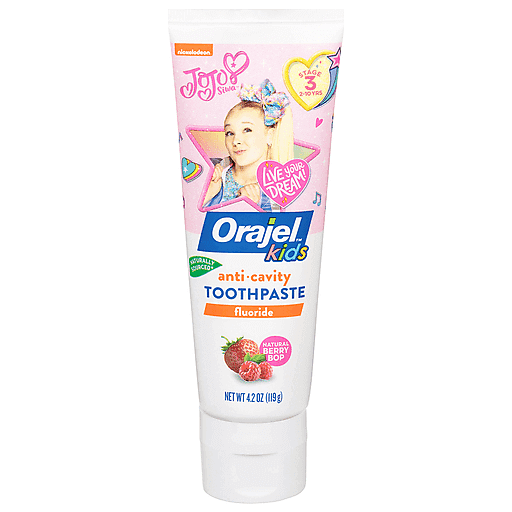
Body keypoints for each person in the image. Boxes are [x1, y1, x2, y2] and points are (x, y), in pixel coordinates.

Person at [203, 79, 294, 211]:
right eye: (229, 133)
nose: (236, 141)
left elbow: (283, 222)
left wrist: (254, 207)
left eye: (247, 130)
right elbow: (195, 216)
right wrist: (209, 194)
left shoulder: (278, 190)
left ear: (270, 135)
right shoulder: (210, 170)